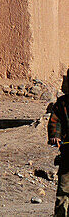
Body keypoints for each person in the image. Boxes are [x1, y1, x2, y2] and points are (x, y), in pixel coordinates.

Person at [48, 70, 69, 216]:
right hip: (68, 154)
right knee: (64, 191)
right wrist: (55, 136)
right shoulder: (62, 103)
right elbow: (56, 121)